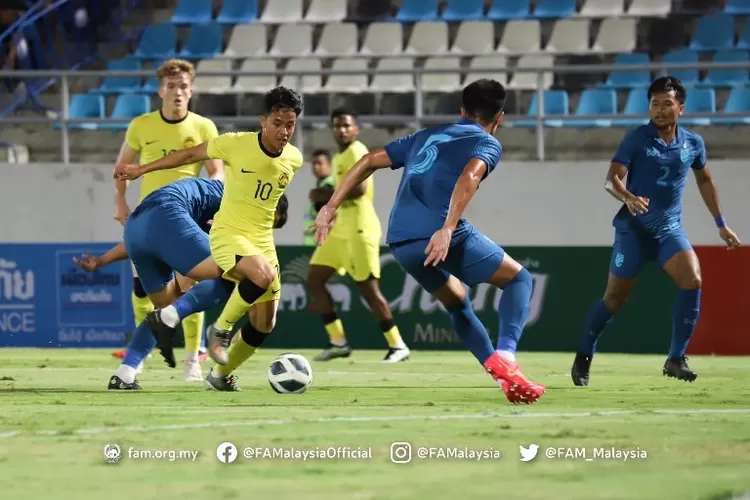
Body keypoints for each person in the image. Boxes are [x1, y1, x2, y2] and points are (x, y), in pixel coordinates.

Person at [314, 79, 546, 404]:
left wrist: (329, 206)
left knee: (457, 302)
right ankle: (506, 354)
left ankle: (505, 379)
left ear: (462, 110)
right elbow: (470, 176)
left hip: (401, 242)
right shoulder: (487, 142)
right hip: (439, 232)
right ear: (501, 117)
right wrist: (448, 228)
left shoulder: (424, 135)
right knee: (519, 279)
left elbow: (367, 160)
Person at [114, 86, 304, 392]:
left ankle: (218, 375)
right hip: (228, 234)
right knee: (255, 275)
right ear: (263, 121)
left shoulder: (294, 159)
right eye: (278, 123)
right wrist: (142, 169)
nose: (284, 131)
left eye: (290, 125)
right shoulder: (234, 144)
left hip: (261, 242)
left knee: (264, 323)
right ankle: (219, 330)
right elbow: (190, 154)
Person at [571, 76, 741, 387]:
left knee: (693, 279)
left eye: (666, 104)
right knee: (614, 300)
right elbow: (611, 179)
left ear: (681, 108)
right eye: (654, 104)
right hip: (633, 231)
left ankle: (675, 358)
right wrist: (629, 197)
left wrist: (721, 224)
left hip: (669, 231)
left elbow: (705, 180)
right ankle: (585, 352)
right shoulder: (637, 138)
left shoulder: (693, 144)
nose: (660, 110)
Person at [75, 180, 290, 390]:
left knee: (168, 303)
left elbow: (153, 229)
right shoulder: (239, 204)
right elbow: (168, 223)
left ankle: (125, 373)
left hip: (136, 227)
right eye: (268, 221)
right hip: (168, 214)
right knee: (234, 273)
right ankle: (195, 325)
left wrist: (102, 260)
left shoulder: (217, 202)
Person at [111, 58, 223, 381]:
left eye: (183, 87)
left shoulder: (204, 127)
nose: (177, 92)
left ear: (192, 90)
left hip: (188, 216)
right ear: (160, 90)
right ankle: (140, 355)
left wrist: (214, 210)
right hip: (147, 219)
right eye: (171, 86)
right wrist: (120, 200)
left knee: (192, 285)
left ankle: (193, 359)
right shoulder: (141, 126)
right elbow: (122, 168)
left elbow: (217, 172)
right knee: (144, 290)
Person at [308, 109, 410, 363]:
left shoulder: (356, 151)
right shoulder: (341, 156)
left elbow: (360, 188)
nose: (341, 130)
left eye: (346, 125)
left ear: (356, 129)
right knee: (315, 279)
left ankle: (398, 345)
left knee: (368, 289)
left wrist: (325, 196)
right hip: (341, 229)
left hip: (359, 229)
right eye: (337, 126)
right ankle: (338, 341)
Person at [304, 149, 335, 246]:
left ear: (330, 166)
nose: (315, 167)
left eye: (319, 163)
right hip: (315, 243)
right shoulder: (321, 186)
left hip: (324, 243)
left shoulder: (329, 186)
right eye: (314, 164)